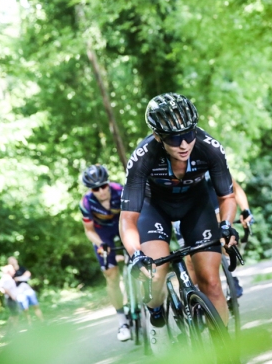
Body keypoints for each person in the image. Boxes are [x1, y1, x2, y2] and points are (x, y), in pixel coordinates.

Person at [120, 92, 238, 355]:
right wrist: (136, 254)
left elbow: (227, 196)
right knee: (155, 273)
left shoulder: (209, 147)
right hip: (154, 208)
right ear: (159, 137)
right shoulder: (143, 157)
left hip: (195, 205)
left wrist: (227, 224)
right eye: (174, 138)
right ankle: (156, 313)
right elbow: (128, 218)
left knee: (211, 282)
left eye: (189, 133)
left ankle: (226, 351)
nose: (184, 143)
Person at [79, 164, 130, 341]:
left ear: (108, 183)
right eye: (95, 188)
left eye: (103, 186)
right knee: (111, 275)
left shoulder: (120, 190)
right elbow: (89, 230)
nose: (100, 191)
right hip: (102, 234)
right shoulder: (86, 203)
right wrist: (102, 244)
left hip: (123, 225)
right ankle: (122, 320)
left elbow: (134, 214)